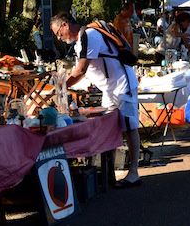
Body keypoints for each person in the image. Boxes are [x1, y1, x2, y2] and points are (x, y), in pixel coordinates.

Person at [50, 12, 141, 188]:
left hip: (122, 85)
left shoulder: (90, 35)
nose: (59, 38)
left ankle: (134, 172)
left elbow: (82, 69)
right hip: (110, 89)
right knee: (110, 127)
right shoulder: (80, 41)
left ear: (65, 25)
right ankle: (109, 173)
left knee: (130, 127)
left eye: (58, 34)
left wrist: (61, 87)